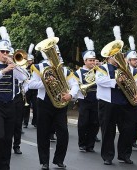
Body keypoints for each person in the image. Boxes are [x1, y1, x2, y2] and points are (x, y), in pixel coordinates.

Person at [29, 27, 79, 170]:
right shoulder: (39, 67)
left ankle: (59, 160)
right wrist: (45, 82)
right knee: (43, 133)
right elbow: (31, 84)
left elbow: (74, 85)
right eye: (52, 54)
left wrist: (71, 95)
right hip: (44, 103)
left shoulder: (65, 70)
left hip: (61, 104)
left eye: (57, 54)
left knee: (63, 133)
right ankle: (44, 162)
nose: (55, 57)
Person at [96, 26, 137, 165]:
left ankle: (124, 155)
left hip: (126, 103)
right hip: (108, 103)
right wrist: (116, 82)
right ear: (110, 57)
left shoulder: (130, 68)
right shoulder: (102, 68)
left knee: (128, 129)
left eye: (121, 55)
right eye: (116, 55)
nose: (120, 57)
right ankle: (107, 156)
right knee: (108, 131)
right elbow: (99, 80)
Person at [0, 26, 27, 170]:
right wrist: (4, 70)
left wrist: (15, 66)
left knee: (8, 139)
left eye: (7, 52)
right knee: (0, 136)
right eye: (2, 52)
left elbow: (24, 78)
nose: (5, 54)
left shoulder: (12, 66)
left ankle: (5, 165)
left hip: (11, 105)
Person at [74, 37, 99, 153]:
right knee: (83, 123)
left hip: (96, 99)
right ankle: (82, 144)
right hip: (84, 99)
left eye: (94, 60)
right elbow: (75, 85)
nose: (93, 62)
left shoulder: (99, 71)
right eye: (90, 60)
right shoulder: (78, 72)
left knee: (94, 123)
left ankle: (90, 145)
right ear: (85, 61)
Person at [23, 43, 38, 128]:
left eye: (31, 61)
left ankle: (35, 122)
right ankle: (25, 122)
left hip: (35, 89)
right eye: (28, 61)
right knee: (26, 106)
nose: (29, 62)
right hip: (27, 88)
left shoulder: (36, 68)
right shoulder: (24, 68)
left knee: (36, 106)